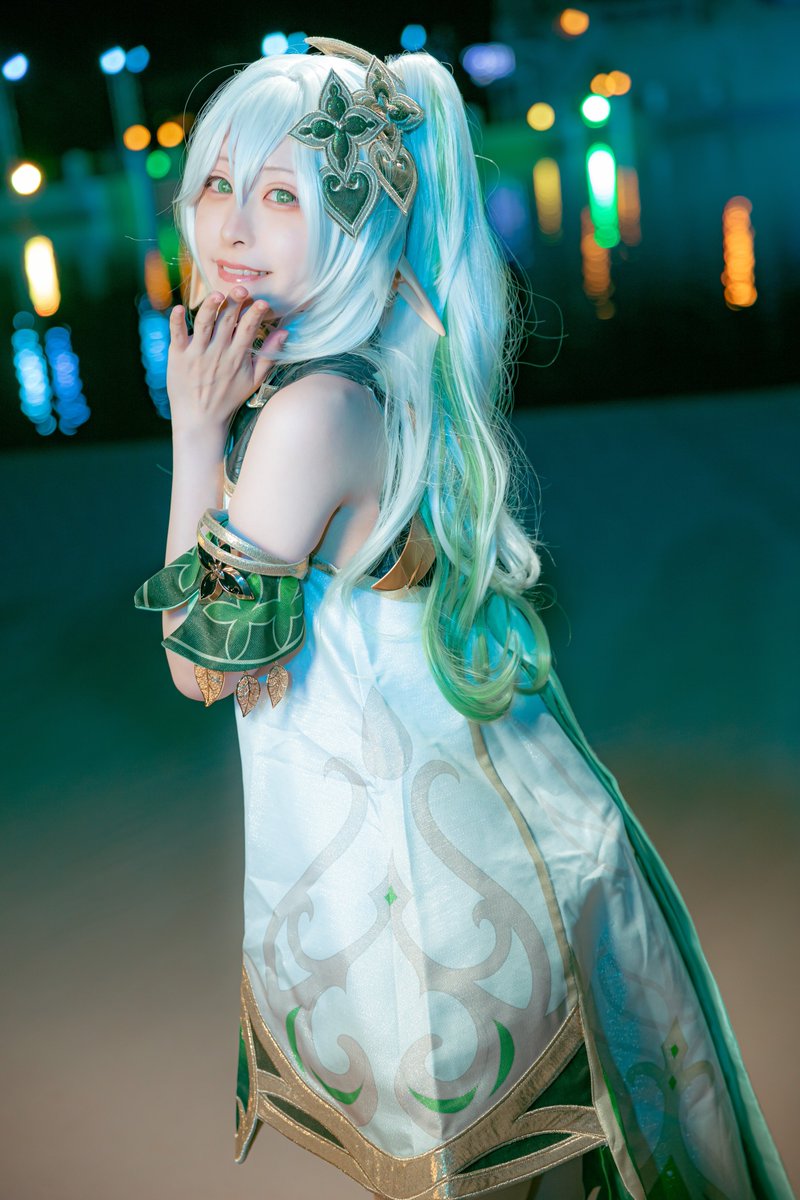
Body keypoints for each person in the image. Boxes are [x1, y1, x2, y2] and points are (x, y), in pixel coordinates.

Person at [134, 37, 792, 1200]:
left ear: (357, 219)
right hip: (507, 833)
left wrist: (194, 433)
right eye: (218, 185)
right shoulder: (395, 340)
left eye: (279, 194)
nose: (230, 226)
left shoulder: (309, 410)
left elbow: (202, 665)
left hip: (440, 895)